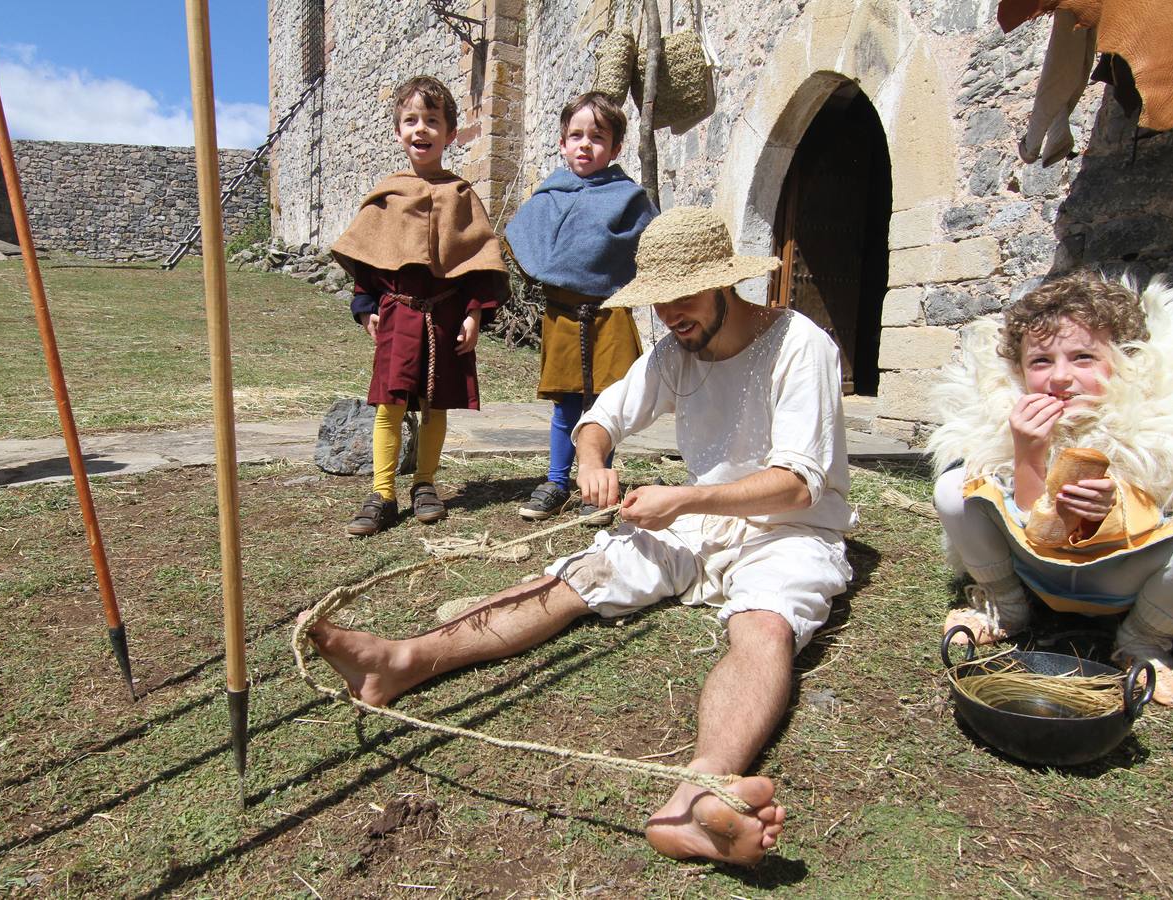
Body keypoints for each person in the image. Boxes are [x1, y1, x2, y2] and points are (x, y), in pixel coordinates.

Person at [300, 206, 856, 865]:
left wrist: (685, 497)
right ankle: (401, 662)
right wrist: (592, 464)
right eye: (658, 301)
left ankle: (699, 798)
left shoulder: (801, 345)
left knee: (763, 628)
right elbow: (599, 421)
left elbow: (797, 484)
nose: (670, 315)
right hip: (696, 522)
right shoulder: (676, 351)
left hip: (789, 532)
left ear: (722, 284)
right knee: (573, 580)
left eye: (682, 297)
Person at [928, 273, 1173, 707]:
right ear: (1018, 369)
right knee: (957, 488)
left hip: (1126, 575)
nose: (1060, 378)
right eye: (1041, 361)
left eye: (1083, 357)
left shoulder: (1164, 420)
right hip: (1039, 568)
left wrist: (1118, 506)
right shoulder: (1001, 419)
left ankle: (1144, 640)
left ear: (1124, 360)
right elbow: (1034, 523)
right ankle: (1006, 607)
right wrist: (1028, 453)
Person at [331, 75, 509, 537]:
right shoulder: (387, 195)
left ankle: (426, 484)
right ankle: (383, 493)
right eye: (411, 120)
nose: (421, 129)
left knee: (435, 404)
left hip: (446, 315)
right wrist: (366, 305)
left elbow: (479, 264)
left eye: (432, 121)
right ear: (398, 132)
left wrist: (474, 313)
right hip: (397, 315)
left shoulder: (462, 195)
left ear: (450, 133)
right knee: (390, 405)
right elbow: (368, 265)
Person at [505, 92, 658, 524]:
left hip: (611, 313)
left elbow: (653, 246)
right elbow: (525, 241)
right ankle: (556, 481)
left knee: (605, 403)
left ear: (616, 148)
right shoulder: (550, 195)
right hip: (563, 315)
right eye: (576, 135)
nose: (585, 144)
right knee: (566, 405)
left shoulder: (630, 199)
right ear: (562, 141)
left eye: (597, 136)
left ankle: (598, 484)